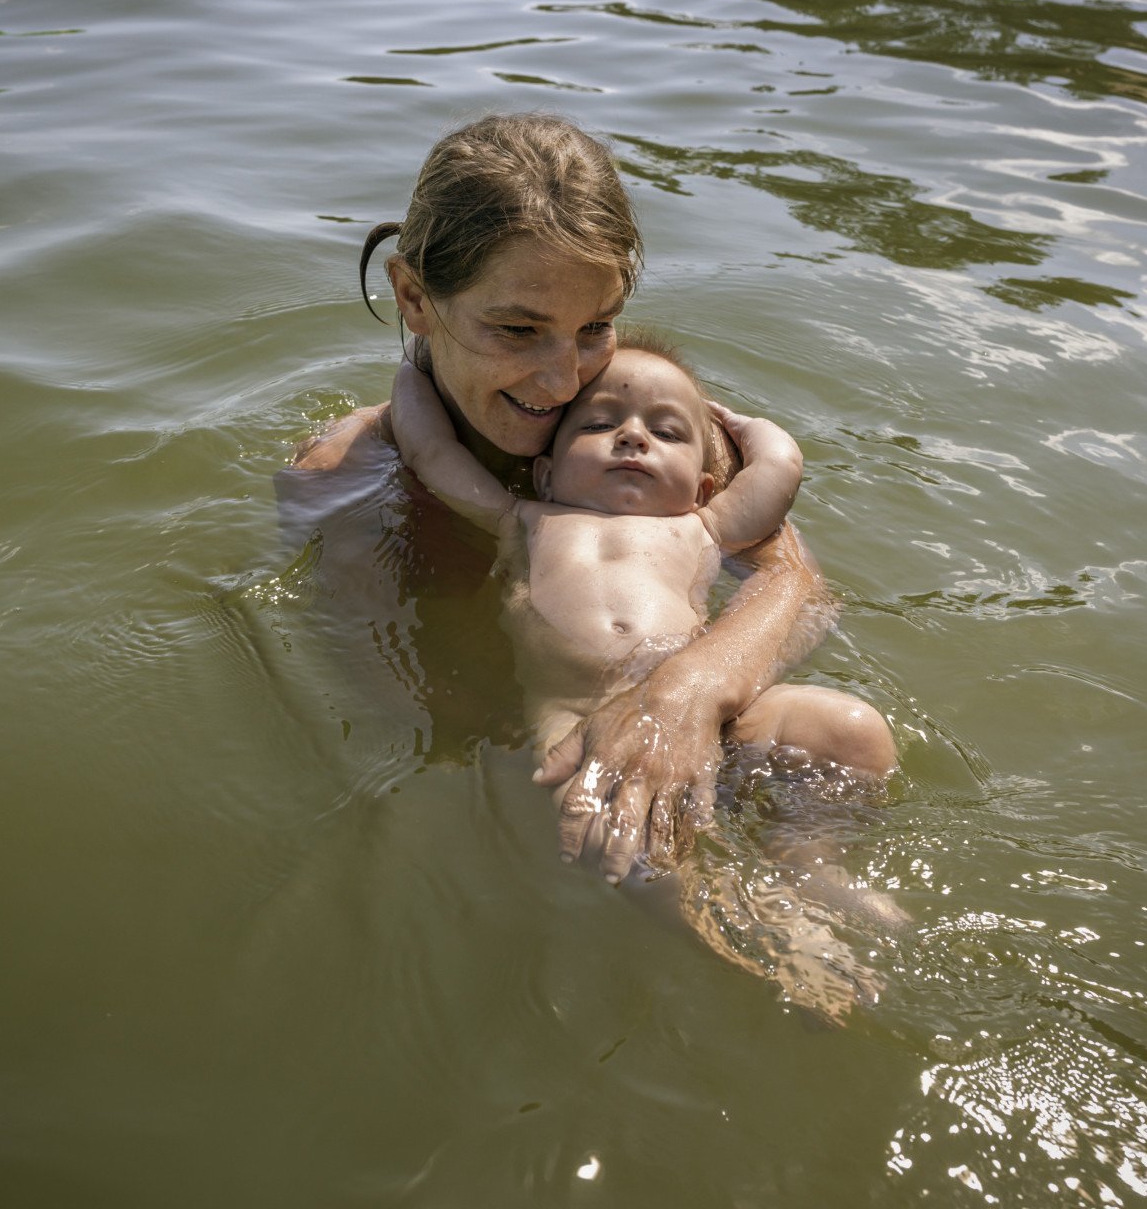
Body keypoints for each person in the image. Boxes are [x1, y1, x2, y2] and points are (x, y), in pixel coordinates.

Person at [284, 111, 894, 881]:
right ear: (412, 297)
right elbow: (407, 701)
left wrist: (690, 690)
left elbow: (796, 584)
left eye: (595, 326)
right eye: (516, 329)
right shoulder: (344, 471)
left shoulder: (657, 437)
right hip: (540, 774)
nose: (564, 380)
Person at [388, 335, 896, 881]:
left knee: (850, 729)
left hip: (711, 710)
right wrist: (417, 363)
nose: (632, 436)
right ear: (546, 474)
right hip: (575, 711)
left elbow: (780, 466)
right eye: (598, 425)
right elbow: (430, 450)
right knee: (612, 834)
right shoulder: (521, 519)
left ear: (704, 487)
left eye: (668, 432)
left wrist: (741, 425)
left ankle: (811, 864)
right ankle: (732, 917)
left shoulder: (703, 527)